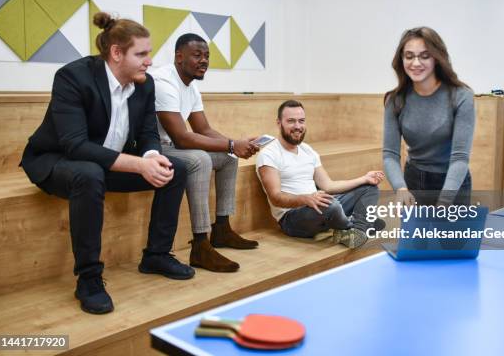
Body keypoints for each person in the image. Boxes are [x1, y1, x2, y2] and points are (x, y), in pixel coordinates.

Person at [20, 13, 194, 315]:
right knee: (88, 174)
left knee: (174, 168)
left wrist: (152, 158)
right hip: (59, 161)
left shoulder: (144, 84)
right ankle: (88, 279)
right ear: (116, 53)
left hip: (107, 165)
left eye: (149, 53)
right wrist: (138, 166)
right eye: (141, 54)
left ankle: (156, 254)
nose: (149, 61)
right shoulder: (73, 77)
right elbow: (75, 145)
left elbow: (148, 133)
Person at [152, 33, 259, 273]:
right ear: (179, 57)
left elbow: (203, 129)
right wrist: (232, 144)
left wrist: (237, 145)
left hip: (173, 147)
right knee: (199, 160)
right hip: (153, 149)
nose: (204, 61)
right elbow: (182, 137)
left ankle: (221, 228)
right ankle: (200, 244)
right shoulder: (163, 82)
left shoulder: (190, 86)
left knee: (228, 158)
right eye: (197, 55)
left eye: (207, 56)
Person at [256, 100, 386, 248]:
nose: (297, 126)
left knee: (368, 188)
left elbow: (328, 185)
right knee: (331, 205)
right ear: (279, 123)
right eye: (291, 121)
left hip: (318, 206)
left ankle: (357, 232)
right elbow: (276, 198)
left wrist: (364, 178)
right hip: (292, 218)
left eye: (301, 121)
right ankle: (358, 225)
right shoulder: (269, 154)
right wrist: (305, 199)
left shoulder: (307, 150)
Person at [383, 27, 475, 208]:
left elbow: (460, 158)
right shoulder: (395, 100)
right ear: (401, 60)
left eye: (424, 56)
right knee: (417, 236)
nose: (416, 63)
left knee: (453, 237)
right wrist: (400, 188)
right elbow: (389, 155)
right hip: (414, 180)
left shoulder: (462, 96)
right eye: (409, 56)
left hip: (453, 184)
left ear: (437, 58)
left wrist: (445, 201)